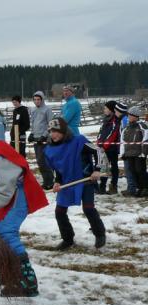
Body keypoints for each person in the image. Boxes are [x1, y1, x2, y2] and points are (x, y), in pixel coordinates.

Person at [0, 118, 49, 297]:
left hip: (19, 196)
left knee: (6, 232)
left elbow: (4, 189)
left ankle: (28, 283)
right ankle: (9, 272)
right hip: (11, 196)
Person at [45, 118, 106, 250]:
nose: (53, 135)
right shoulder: (50, 149)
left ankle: (100, 234)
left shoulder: (79, 141)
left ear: (63, 131)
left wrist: (97, 170)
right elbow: (59, 168)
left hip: (85, 180)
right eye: (50, 131)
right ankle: (67, 239)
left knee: (88, 208)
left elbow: (98, 151)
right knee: (59, 212)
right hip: (67, 183)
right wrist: (57, 181)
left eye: (56, 131)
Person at [120, 106, 148, 198]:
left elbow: (145, 139)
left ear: (136, 116)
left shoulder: (142, 126)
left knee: (140, 171)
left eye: (130, 115)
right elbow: (123, 141)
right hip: (129, 154)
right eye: (128, 115)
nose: (128, 117)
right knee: (133, 171)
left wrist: (143, 152)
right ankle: (139, 188)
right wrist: (123, 153)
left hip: (139, 154)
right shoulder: (126, 128)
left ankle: (145, 188)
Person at [29, 91, 54, 189]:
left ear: (42, 99)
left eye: (38, 99)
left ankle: (50, 181)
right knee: (39, 161)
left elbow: (50, 124)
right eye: (35, 100)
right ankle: (45, 181)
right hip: (36, 139)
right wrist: (31, 133)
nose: (36, 101)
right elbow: (33, 123)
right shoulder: (33, 110)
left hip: (45, 140)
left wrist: (44, 135)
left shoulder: (47, 110)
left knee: (44, 161)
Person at [96, 100, 121, 195]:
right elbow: (101, 132)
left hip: (111, 149)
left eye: (106, 108)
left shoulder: (115, 120)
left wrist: (104, 146)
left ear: (111, 110)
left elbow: (112, 135)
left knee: (113, 166)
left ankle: (113, 185)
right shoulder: (105, 120)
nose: (104, 110)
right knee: (103, 167)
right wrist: (98, 143)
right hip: (102, 148)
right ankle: (102, 186)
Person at [115, 102, 135, 196]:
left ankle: (131, 189)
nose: (115, 112)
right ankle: (131, 188)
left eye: (116, 111)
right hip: (127, 148)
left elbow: (126, 135)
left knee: (128, 169)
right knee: (129, 168)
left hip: (128, 149)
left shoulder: (124, 120)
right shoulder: (122, 119)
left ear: (120, 111)